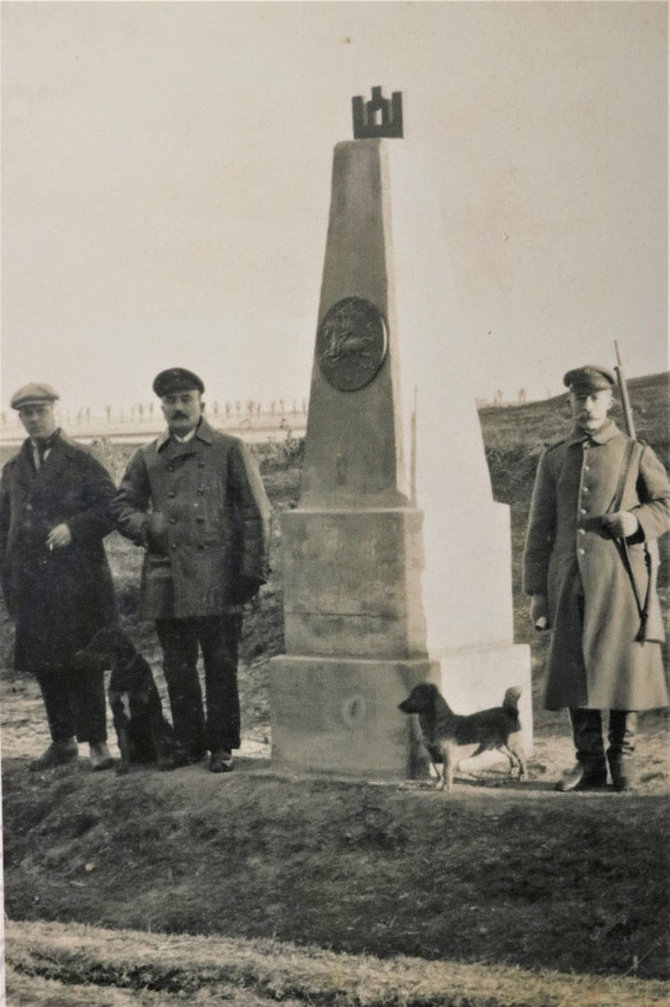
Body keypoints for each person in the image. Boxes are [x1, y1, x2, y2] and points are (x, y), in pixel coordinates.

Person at [113, 368, 271, 773]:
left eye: (186, 398)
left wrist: (251, 572)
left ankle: (221, 745)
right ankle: (189, 743)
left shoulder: (229, 449)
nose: (178, 407)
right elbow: (121, 506)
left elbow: (256, 514)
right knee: (177, 665)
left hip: (219, 576)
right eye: (171, 400)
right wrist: (147, 526)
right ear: (161, 406)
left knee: (220, 664)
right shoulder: (149, 455)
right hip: (168, 576)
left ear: (203, 403)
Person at [523, 365, 670, 791]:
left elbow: (665, 503)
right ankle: (588, 763)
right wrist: (537, 592)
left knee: (624, 668)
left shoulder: (634, 452)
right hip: (568, 580)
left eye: (595, 398)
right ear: (569, 402)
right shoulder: (554, 459)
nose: (586, 406)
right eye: (579, 398)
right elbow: (539, 529)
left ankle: (622, 760)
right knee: (574, 670)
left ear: (609, 402)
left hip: (623, 579)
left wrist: (634, 519)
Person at [0, 383, 117, 770]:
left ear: (54, 410)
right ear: (19, 417)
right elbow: (4, 528)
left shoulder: (81, 458)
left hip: (78, 582)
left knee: (85, 661)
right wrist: (10, 579)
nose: (33, 419)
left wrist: (75, 527)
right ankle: (62, 741)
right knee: (46, 662)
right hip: (32, 584)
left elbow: (111, 508)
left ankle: (98, 743)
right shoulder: (13, 469)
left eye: (39, 411)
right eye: (26, 413)